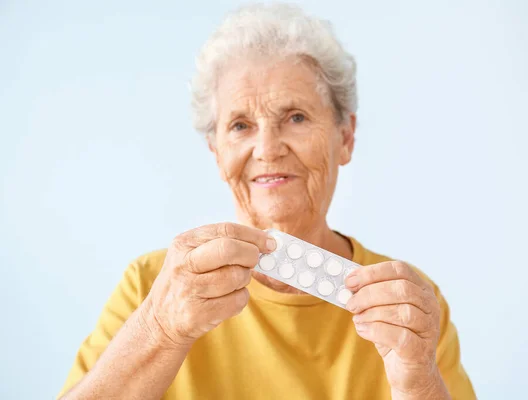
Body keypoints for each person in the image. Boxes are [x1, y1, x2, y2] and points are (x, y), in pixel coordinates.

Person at [59, 3, 476, 399]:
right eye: (241, 125)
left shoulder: (406, 306)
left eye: (295, 117)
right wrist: (160, 330)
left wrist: (418, 382)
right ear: (216, 151)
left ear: (345, 137)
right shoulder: (150, 287)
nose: (268, 148)